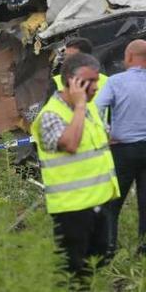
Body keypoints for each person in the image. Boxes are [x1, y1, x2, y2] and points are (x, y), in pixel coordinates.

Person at [33, 52, 119, 276]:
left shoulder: (90, 109)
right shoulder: (51, 115)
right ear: (72, 82)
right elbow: (70, 144)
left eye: (96, 80)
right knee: (74, 271)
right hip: (72, 208)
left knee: (98, 261)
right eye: (90, 82)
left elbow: (102, 139)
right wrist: (79, 106)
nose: (96, 87)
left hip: (99, 200)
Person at [96, 39, 146, 255]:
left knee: (112, 204)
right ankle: (143, 251)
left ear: (129, 57)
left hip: (123, 149)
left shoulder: (115, 82)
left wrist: (106, 133)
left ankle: (108, 249)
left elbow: (97, 109)